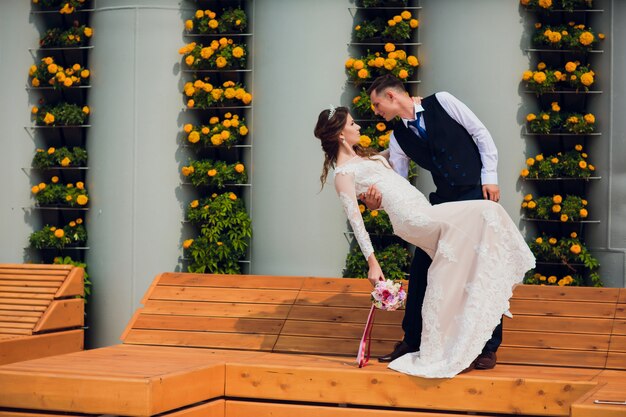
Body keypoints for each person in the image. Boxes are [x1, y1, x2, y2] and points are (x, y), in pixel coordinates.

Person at [313, 105, 535, 378]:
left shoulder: (366, 159)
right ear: (340, 135)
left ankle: (463, 342)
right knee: (487, 211)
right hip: (414, 218)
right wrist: (373, 263)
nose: (358, 127)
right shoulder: (343, 175)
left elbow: (394, 166)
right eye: (352, 124)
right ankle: (456, 338)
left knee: (469, 259)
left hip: (425, 212)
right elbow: (356, 222)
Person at [363, 74, 503, 371]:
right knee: (423, 268)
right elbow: (397, 182)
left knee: (482, 268)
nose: (376, 112)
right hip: (444, 203)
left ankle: (487, 347)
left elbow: (481, 134)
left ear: (391, 96)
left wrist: (489, 178)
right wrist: (378, 201)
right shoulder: (397, 137)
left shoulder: (443, 101)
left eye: (377, 104)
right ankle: (411, 339)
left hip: (476, 195)